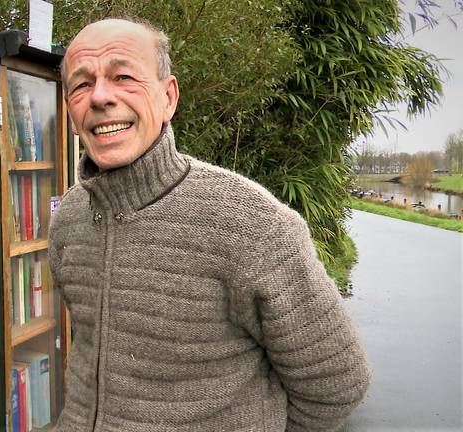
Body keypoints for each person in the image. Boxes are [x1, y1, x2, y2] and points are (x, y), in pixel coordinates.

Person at [48, 17, 371, 432]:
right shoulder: (69, 220)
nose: (100, 97)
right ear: (70, 110)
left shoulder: (255, 227)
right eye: (81, 84)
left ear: (168, 98)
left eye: (123, 76)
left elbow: (337, 384)